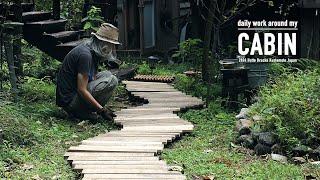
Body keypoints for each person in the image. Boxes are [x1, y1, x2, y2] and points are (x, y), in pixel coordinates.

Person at [56, 23, 121, 121]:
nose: (112, 49)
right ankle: (82, 112)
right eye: (111, 45)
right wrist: (102, 110)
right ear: (104, 44)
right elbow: (82, 89)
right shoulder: (85, 55)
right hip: (70, 102)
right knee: (112, 80)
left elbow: (92, 78)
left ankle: (90, 110)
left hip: (73, 96)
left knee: (108, 74)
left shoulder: (93, 52)